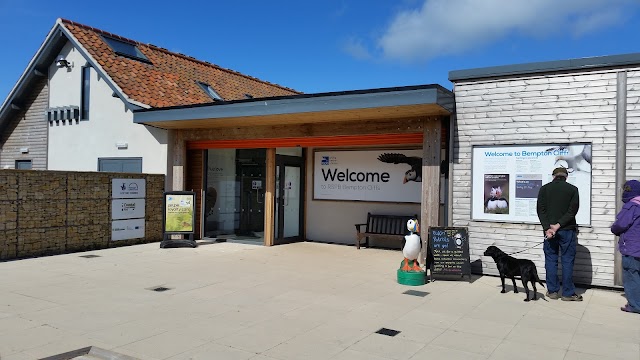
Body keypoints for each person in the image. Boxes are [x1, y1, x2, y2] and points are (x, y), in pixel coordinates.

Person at [536, 167, 582, 301]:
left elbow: (540, 210)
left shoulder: (544, 189)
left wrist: (548, 228)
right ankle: (568, 293)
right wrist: (558, 225)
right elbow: (572, 211)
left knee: (551, 260)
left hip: (549, 232)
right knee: (567, 261)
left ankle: (552, 291)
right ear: (566, 177)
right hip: (567, 230)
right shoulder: (573, 189)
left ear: (553, 176)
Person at [611, 180, 640, 314]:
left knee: (631, 277)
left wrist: (614, 228)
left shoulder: (632, 206)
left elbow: (620, 225)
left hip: (632, 248)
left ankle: (634, 305)